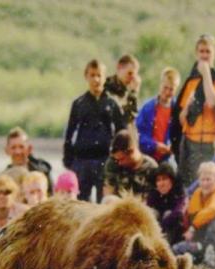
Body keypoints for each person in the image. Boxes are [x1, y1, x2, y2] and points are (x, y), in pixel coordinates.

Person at [171, 34, 215, 186]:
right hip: (191, 143)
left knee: (210, 185)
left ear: (214, 53)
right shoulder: (191, 82)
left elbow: (211, 101)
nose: (204, 55)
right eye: (201, 51)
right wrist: (188, 107)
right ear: (197, 53)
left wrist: (206, 74)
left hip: (211, 144)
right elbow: (181, 119)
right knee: (189, 186)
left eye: (208, 51)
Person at [63, 59, 126, 203]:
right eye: (92, 75)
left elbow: (121, 132)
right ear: (86, 76)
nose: (96, 79)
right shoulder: (79, 104)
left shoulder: (112, 103)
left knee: (103, 203)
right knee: (81, 202)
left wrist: (119, 159)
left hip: (105, 160)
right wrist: (69, 161)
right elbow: (70, 133)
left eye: (99, 75)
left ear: (105, 78)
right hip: (82, 160)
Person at [172, 161, 215, 265]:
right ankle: (201, 250)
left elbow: (214, 209)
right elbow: (191, 216)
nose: (205, 183)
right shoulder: (197, 194)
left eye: (209, 179)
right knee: (177, 249)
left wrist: (193, 227)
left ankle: (210, 254)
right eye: (202, 180)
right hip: (202, 238)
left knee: (214, 220)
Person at [136, 67, 181, 163]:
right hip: (147, 156)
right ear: (160, 85)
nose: (168, 92)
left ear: (176, 89)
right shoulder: (147, 108)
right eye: (165, 87)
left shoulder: (178, 111)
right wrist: (155, 145)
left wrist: (173, 147)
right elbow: (138, 134)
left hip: (168, 159)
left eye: (171, 89)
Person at [103, 130, 158, 199]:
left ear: (131, 152)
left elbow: (154, 198)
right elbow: (109, 189)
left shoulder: (151, 167)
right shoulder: (113, 163)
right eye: (117, 160)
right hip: (118, 206)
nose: (119, 163)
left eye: (122, 159)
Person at [3, 126, 53, 194]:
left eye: (21, 147)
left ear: (29, 149)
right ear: (7, 150)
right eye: (13, 147)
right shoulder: (4, 177)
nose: (18, 152)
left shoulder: (42, 170)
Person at [146, 163, 187, 245]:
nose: (161, 183)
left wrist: (160, 225)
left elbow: (179, 212)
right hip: (158, 229)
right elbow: (146, 209)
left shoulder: (179, 193)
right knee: (151, 212)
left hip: (175, 233)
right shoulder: (154, 194)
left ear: (172, 180)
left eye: (164, 179)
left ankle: (164, 247)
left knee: (168, 214)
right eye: (158, 180)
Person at [105, 54, 142, 125]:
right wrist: (132, 95)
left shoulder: (125, 92)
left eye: (135, 75)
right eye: (130, 73)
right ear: (119, 68)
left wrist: (133, 93)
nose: (132, 78)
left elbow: (132, 120)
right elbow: (124, 119)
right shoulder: (106, 87)